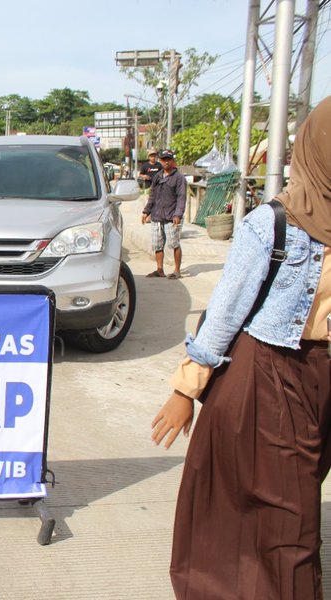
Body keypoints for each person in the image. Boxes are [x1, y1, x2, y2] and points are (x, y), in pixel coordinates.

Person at [151, 95, 331, 599]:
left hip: (320, 380)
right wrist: (186, 390)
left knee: (285, 503)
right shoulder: (273, 224)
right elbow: (225, 312)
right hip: (268, 376)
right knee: (292, 516)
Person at [141, 150, 186, 279]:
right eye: (164, 159)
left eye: (168, 159)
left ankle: (177, 270)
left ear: (172, 161)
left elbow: (181, 197)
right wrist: (146, 211)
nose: (166, 162)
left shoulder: (179, 178)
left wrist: (178, 215)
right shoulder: (157, 177)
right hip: (157, 215)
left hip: (172, 216)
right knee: (157, 244)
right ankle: (159, 269)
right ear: (160, 161)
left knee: (174, 243)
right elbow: (152, 196)